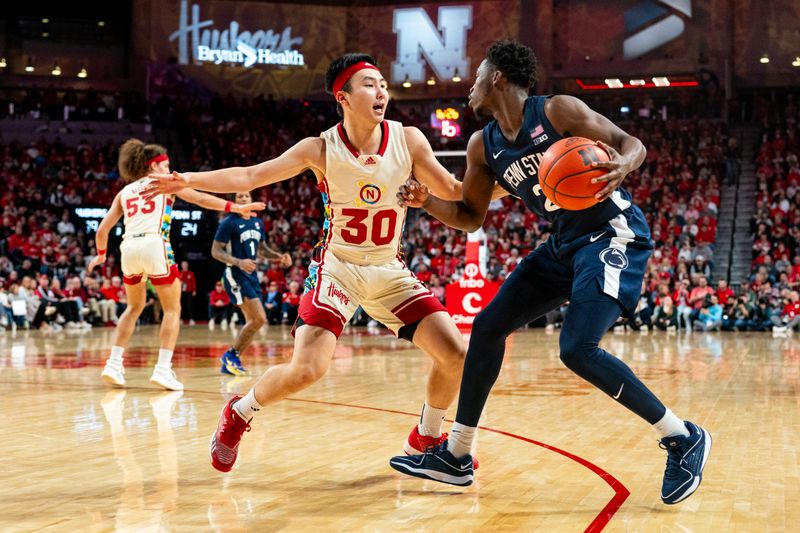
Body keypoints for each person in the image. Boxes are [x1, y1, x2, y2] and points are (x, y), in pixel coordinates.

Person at [389, 41, 711, 505]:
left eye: (478, 75)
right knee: (487, 327)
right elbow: (470, 215)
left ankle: (682, 437)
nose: (471, 85)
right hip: (563, 245)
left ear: (498, 76)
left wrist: (624, 164)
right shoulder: (483, 144)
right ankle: (456, 454)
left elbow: (630, 143)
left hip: (610, 233)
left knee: (577, 348)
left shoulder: (557, 111)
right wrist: (427, 203)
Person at [144, 53, 491, 473]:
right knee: (308, 369)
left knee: (456, 353)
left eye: (382, 83)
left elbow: (455, 190)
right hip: (338, 267)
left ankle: (426, 434)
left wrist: (524, 182)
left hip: (387, 268)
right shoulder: (321, 148)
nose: (381, 91)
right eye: (369, 84)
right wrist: (188, 180)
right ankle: (240, 411)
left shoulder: (410, 139)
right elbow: (251, 176)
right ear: (342, 96)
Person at [89, 139, 264, 391]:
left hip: (128, 248)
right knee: (172, 309)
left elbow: (103, 229)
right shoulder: (166, 184)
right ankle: (162, 370)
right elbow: (200, 199)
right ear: (155, 166)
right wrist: (235, 206)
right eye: (167, 165)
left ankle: (113, 365)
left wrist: (102, 255)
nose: (170, 170)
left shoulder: (124, 192)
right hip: (154, 244)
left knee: (133, 307)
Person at [212, 191, 291, 375]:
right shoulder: (229, 222)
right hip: (235, 273)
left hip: (252, 274)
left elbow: (262, 249)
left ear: (251, 199)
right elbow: (215, 251)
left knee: (253, 321)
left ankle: (231, 361)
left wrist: (279, 257)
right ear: (234, 202)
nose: (244, 199)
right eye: (239, 197)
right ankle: (231, 355)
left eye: (246, 196)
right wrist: (239, 262)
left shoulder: (258, 222)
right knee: (259, 318)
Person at [179, 261, 197, 326]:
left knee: (189, 306)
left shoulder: (191, 273)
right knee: (181, 306)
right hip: (181, 292)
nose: (184, 265)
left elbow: (193, 282)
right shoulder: (179, 273)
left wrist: (194, 290)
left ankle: (191, 319)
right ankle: (180, 319)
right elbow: (177, 282)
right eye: (183, 264)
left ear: (187, 265)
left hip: (189, 291)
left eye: (185, 264)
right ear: (181, 265)